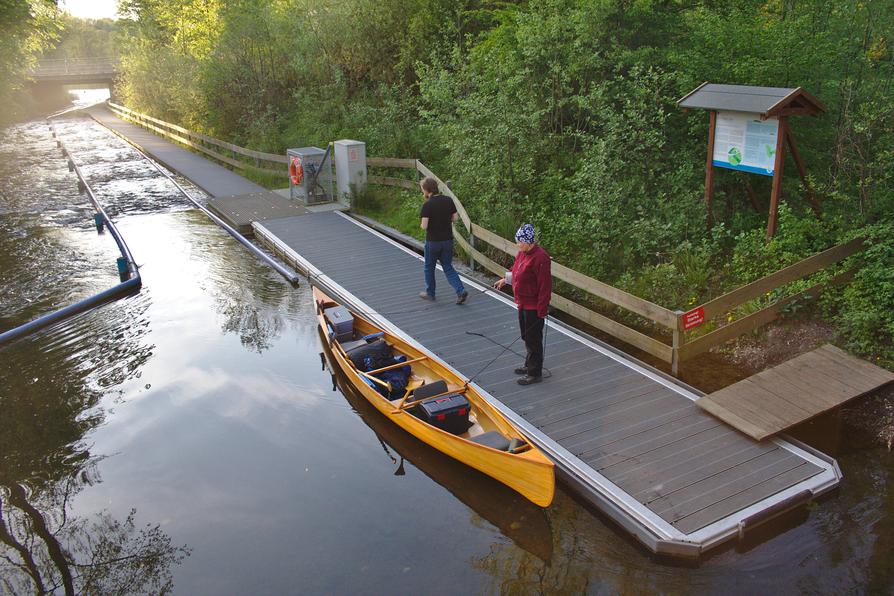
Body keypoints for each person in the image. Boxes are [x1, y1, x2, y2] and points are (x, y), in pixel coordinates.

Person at [492, 223, 551, 385]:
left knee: (533, 339)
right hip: (522, 303)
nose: (517, 244)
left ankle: (535, 373)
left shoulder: (541, 258)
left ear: (529, 241)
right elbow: (515, 270)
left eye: (519, 242)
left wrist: (542, 309)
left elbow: (545, 286)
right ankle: (528, 364)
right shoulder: (522, 253)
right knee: (526, 336)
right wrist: (505, 280)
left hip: (534, 306)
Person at [419, 177, 468, 304]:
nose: (422, 192)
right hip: (447, 241)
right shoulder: (448, 200)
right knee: (447, 266)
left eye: (422, 189)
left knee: (429, 268)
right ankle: (460, 290)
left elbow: (424, 226)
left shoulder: (427, 205)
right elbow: (455, 218)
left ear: (427, 190)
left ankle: (430, 293)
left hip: (433, 242)